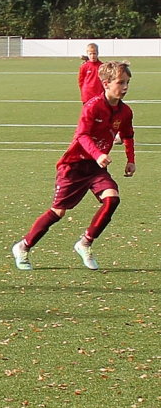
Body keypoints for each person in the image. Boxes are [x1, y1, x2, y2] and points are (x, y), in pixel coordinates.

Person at [12, 61, 135, 271]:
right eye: (120, 82)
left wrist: (130, 159)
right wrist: (98, 154)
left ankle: (85, 243)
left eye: (127, 82)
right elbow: (82, 135)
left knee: (112, 198)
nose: (125, 87)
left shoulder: (125, 111)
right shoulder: (93, 106)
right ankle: (23, 246)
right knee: (58, 212)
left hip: (95, 168)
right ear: (106, 83)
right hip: (74, 166)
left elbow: (127, 134)